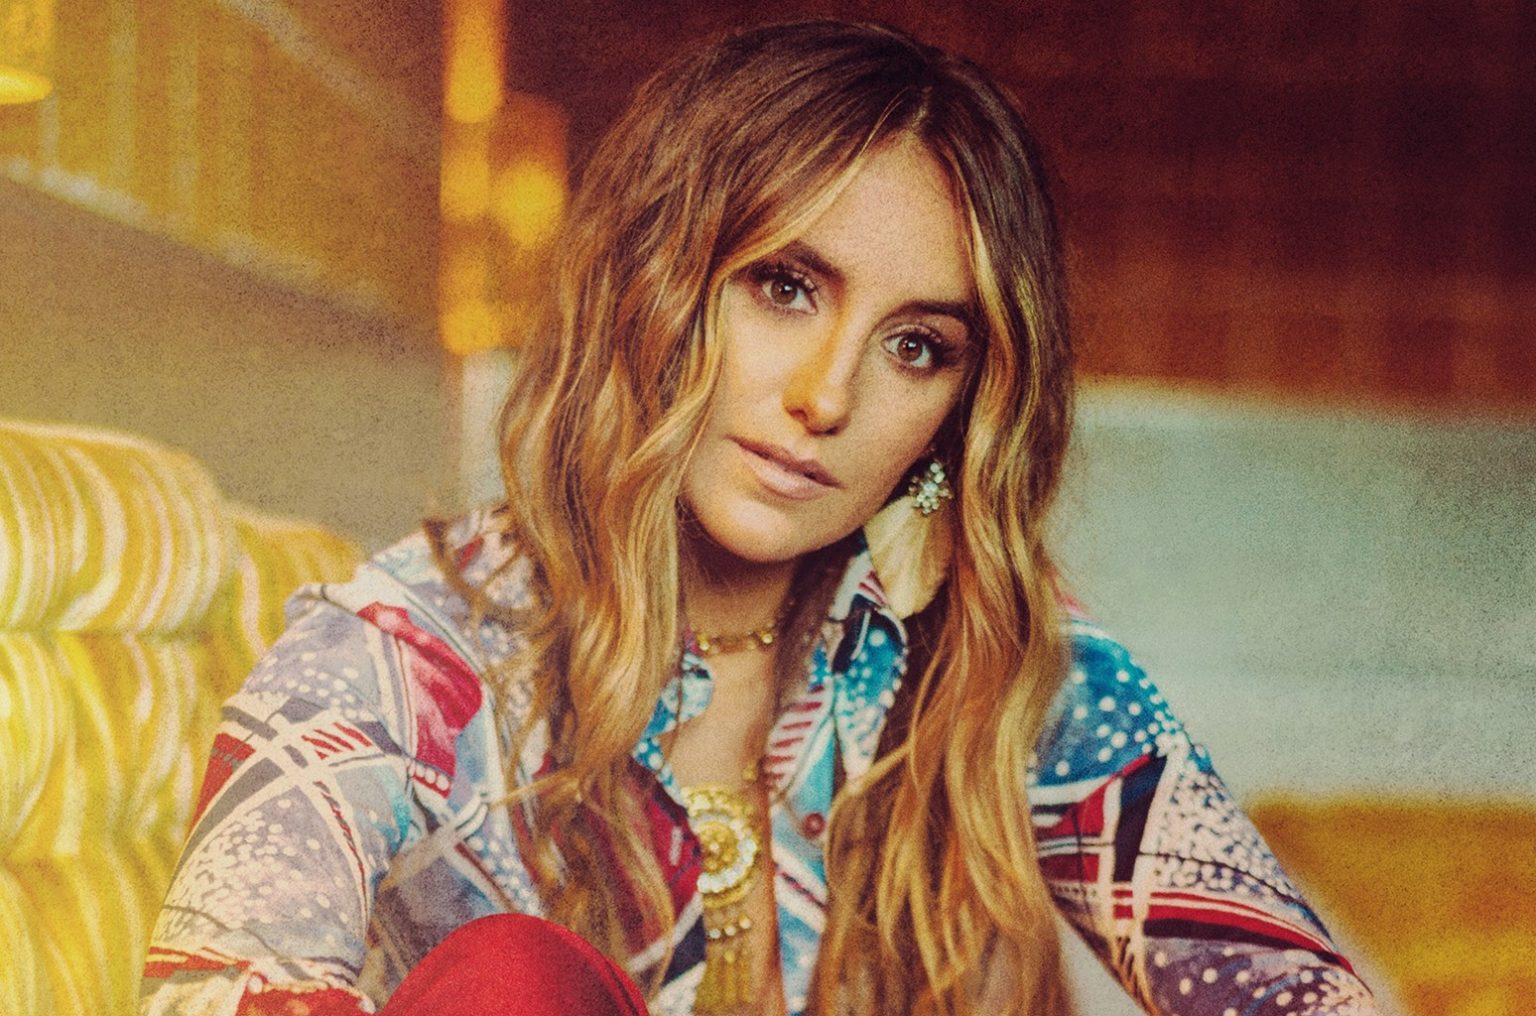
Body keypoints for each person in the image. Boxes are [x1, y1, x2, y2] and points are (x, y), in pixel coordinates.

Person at [141, 20, 1383, 1016]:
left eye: (917, 345)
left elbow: (1297, 989)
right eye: (785, 287)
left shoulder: (997, 656)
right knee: (514, 978)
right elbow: (219, 988)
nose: (827, 396)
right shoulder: (399, 653)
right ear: (656, 277)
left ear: (961, 407)